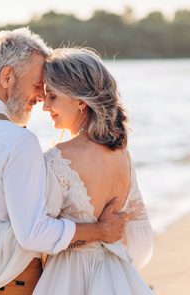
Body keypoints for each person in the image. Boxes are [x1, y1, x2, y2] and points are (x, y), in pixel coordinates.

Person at [0, 28, 127, 295]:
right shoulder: (18, 142)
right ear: (7, 76)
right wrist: (100, 231)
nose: (41, 98)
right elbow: (34, 234)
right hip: (13, 281)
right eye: (37, 85)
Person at [31, 47, 154, 294]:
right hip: (118, 276)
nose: (45, 107)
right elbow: (142, 241)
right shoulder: (122, 155)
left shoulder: (57, 158)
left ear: (80, 101)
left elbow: (39, 236)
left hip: (67, 279)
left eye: (52, 96)